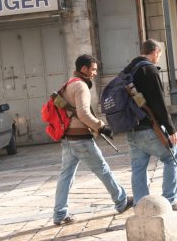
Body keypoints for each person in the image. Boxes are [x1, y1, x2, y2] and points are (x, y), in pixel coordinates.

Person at [53, 54, 133, 225]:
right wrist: (101, 126)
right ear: (84, 69)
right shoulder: (81, 86)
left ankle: (59, 214)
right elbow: (83, 114)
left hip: (68, 138)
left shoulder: (69, 83)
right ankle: (121, 201)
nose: (95, 73)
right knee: (102, 169)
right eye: (94, 69)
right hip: (80, 139)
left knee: (65, 176)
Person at [123, 40, 177, 214]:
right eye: (159, 55)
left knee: (138, 167)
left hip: (132, 129)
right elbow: (158, 103)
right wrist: (171, 129)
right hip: (148, 127)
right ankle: (170, 200)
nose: (158, 59)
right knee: (171, 156)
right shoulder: (148, 70)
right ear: (154, 51)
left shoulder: (127, 70)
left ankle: (140, 205)